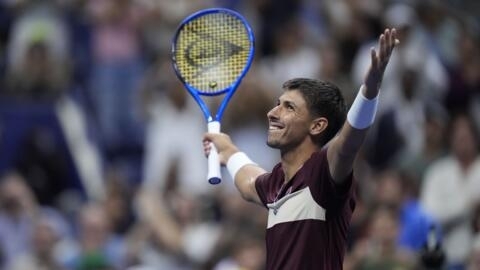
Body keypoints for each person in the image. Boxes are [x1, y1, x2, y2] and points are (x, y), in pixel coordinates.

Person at [203, 28, 399, 269]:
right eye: (277, 105)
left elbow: (350, 141)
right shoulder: (276, 184)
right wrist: (227, 150)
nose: (272, 113)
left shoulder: (322, 174)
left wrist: (369, 90)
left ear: (317, 126)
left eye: (289, 107)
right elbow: (247, 182)